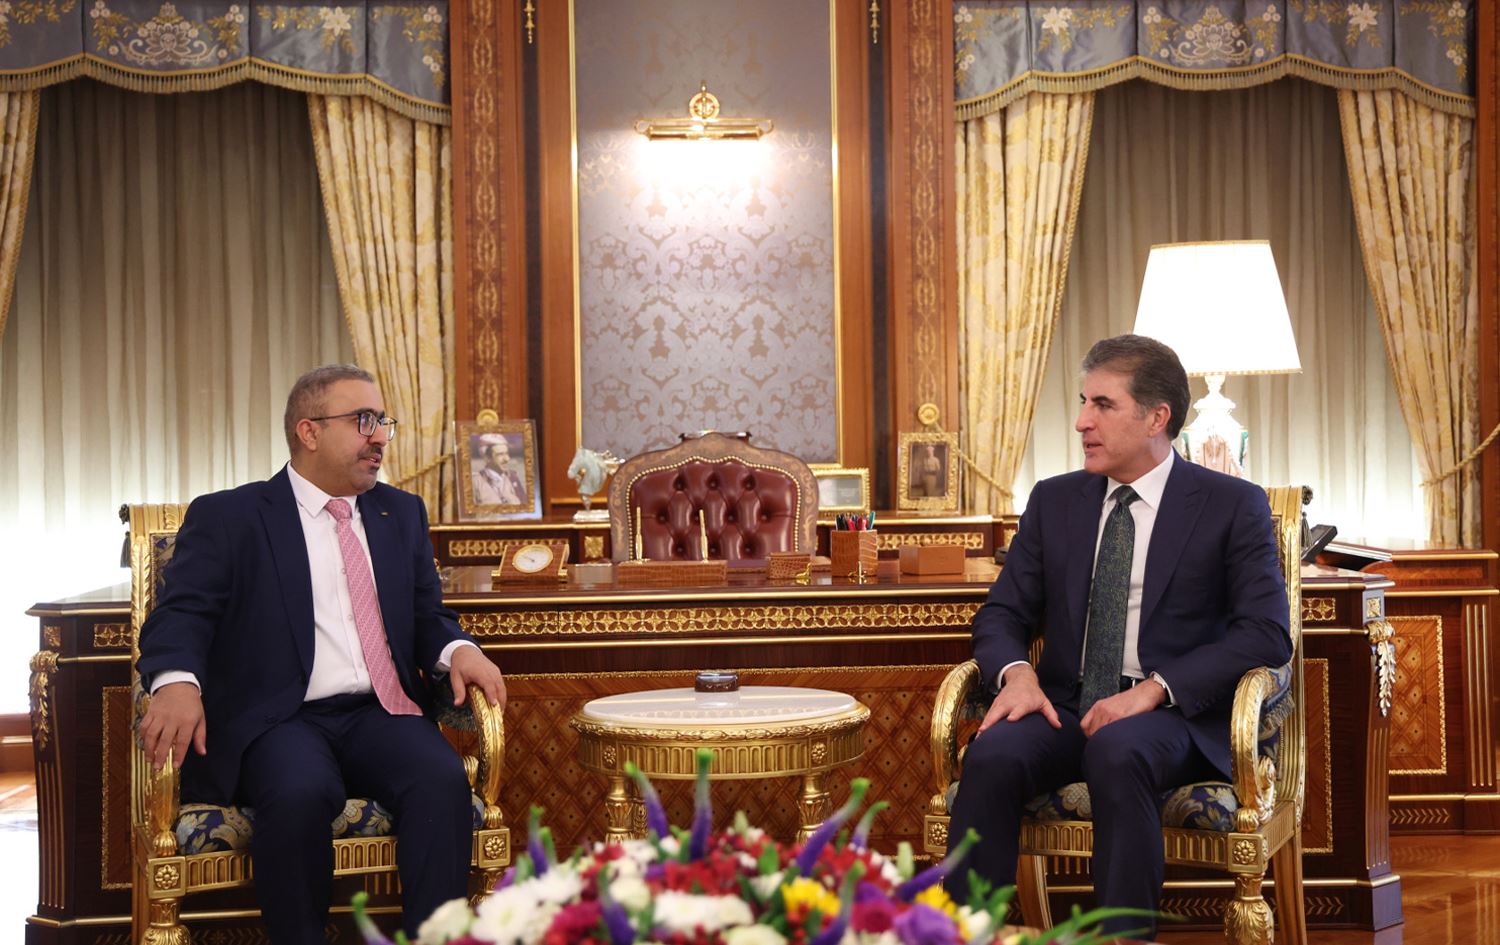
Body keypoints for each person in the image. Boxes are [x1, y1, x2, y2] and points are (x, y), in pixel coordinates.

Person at [136, 364, 508, 945]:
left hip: (380, 712)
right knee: (300, 791)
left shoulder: (400, 512)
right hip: (280, 718)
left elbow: (427, 614)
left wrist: (458, 649)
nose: (380, 436)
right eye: (363, 421)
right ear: (308, 432)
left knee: (440, 779)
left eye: (383, 421)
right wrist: (177, 681)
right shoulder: (232, 516)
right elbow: (182, 614)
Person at [945, 335, 1291, 938]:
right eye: (1084, 403)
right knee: (993, 754)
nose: (1083, 421)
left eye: (1103, 405)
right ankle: (961, 933)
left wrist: (1155, 689)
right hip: (1065, 704)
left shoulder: (1231, 505)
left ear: (1157, 418)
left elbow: (1265, 632)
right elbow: (1002, 614)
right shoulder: (1054, 500)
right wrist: (1017, 674)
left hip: (1171, 717)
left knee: (1118, 747)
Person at [472, 433, 525, 506]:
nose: (507, 459)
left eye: (507, 453)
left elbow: (524, 506)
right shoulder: (475, 482)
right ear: (487, 458)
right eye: (500, 454)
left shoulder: (513, 478)